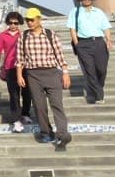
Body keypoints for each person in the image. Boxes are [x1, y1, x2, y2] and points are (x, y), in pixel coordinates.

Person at [15, 8, 72, 151]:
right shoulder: (23, 36)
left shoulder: (50, 34)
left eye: (32, 20)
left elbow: (60, 56)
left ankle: (62, 134)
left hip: (52, 73)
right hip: (33, 75)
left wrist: (65, 73)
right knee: (40, 107)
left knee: (57, 105)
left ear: (39, 19)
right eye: (27, 20)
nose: (29, 22)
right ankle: (46, 132)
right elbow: (20, 58)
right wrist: (19, 75)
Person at [68, 0, 113, 104]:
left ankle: (98, 87)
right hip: (83, 43)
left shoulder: (99, 12)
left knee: (101, 69)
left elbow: (106, 27)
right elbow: (72, 29)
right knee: (90, 70)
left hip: (99, 42)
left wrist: (109, 39)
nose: (86, 0)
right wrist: (76, 43)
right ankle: (99, 95)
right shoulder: (75, 11)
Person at [0, 11, 32, 132]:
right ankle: (16, 120)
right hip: (10, 67)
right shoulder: (3, 35)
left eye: (16, 22)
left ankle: (25, 114)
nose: (13, 25)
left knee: (27, 92)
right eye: (10, 22)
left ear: (19, 23)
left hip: (25, 66)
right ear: (7, 23)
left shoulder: (24, 34)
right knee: (14, 94)